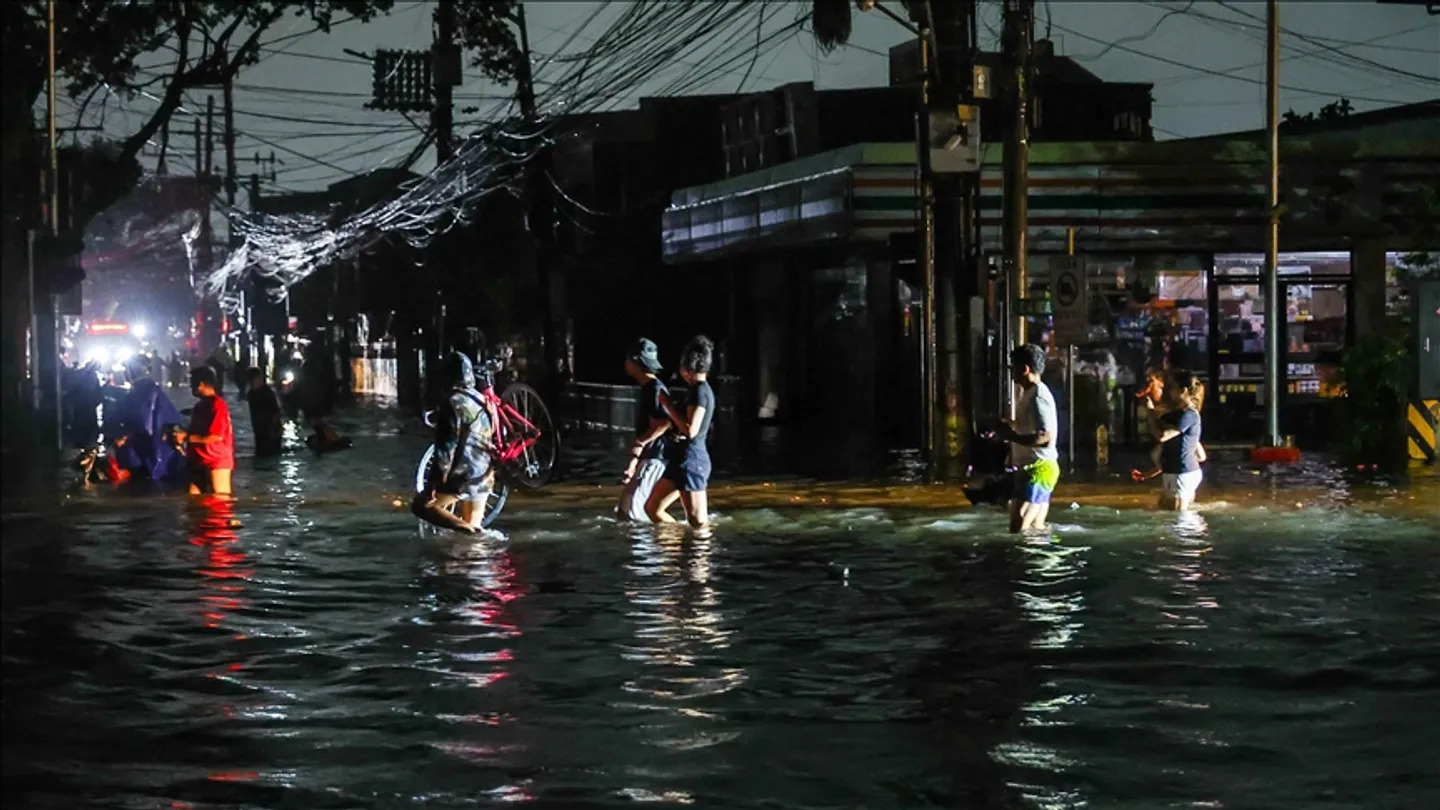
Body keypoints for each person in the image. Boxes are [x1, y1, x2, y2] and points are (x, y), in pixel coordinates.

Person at [412, 351, 497, 534]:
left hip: (462, 478)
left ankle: (465, 529)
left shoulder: (452, 403)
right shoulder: (482, 400)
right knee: (471, 540)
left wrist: (431, 487)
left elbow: (445, 451)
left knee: (420, 507)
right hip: (485, 477)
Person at [646, 336, 716, 528]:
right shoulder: (697, 390)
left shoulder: (700, 392)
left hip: (692, 461)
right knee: (653, 508)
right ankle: (676, 543)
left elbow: (691, 430)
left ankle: (699, 555)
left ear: (687, 368)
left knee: (698, 522)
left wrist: (668, 406)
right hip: (681, 458)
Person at [996, 344, 1060, 534]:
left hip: (1039, 468)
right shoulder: (1029, 393)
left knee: (1019, 525)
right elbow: (1030, 426)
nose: (1011, 371)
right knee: (1033, 528)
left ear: (1025, 369)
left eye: (1013, 366)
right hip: (1033, 469)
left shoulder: (1038, 396)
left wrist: (1012, 437)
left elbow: (1044, 437)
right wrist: (1010, 425)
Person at [616, 338, 680, 522]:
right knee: (624, 510)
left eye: (628, 359)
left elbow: (663, 423)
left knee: (635, 513)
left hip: (656, 457)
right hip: (650, 456)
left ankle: (658, 545)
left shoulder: (654, 389)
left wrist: (639, 443)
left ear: (635, 361)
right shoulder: (650, 388)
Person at [1131, 372, 1207, 510]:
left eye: (1172, 388)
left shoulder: (1189, 415)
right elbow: (1194, 453)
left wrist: (1150, 411)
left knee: (1177, 519)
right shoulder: (1176, 415)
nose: (1169, 391)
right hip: (1177, 472)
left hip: (1182, 474)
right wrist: (1150, 473)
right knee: (1166, 513)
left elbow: (1162, 436)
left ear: (1183, 391)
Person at [110, 357, 186, 484]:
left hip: (147, 451)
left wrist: (124, 436)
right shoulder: (149, 392)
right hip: (151, 453)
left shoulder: (141, 394)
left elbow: (140, 421)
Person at [178, 366, 235, 497]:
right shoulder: (199, 406)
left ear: (201, 384)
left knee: (220, 501)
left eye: (192, 383)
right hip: (198, 460)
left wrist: (187, 437)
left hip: (216, 461)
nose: (190, 386)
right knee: (193, 502)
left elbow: (216, 436)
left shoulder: (218, 406)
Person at [246, 367, 285, 458]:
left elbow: (276, 411)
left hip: (270, 432)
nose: (253, 383)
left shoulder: (267, 392)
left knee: (271, 455)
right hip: (259, 431)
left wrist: (273, 429)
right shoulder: (251, 394)